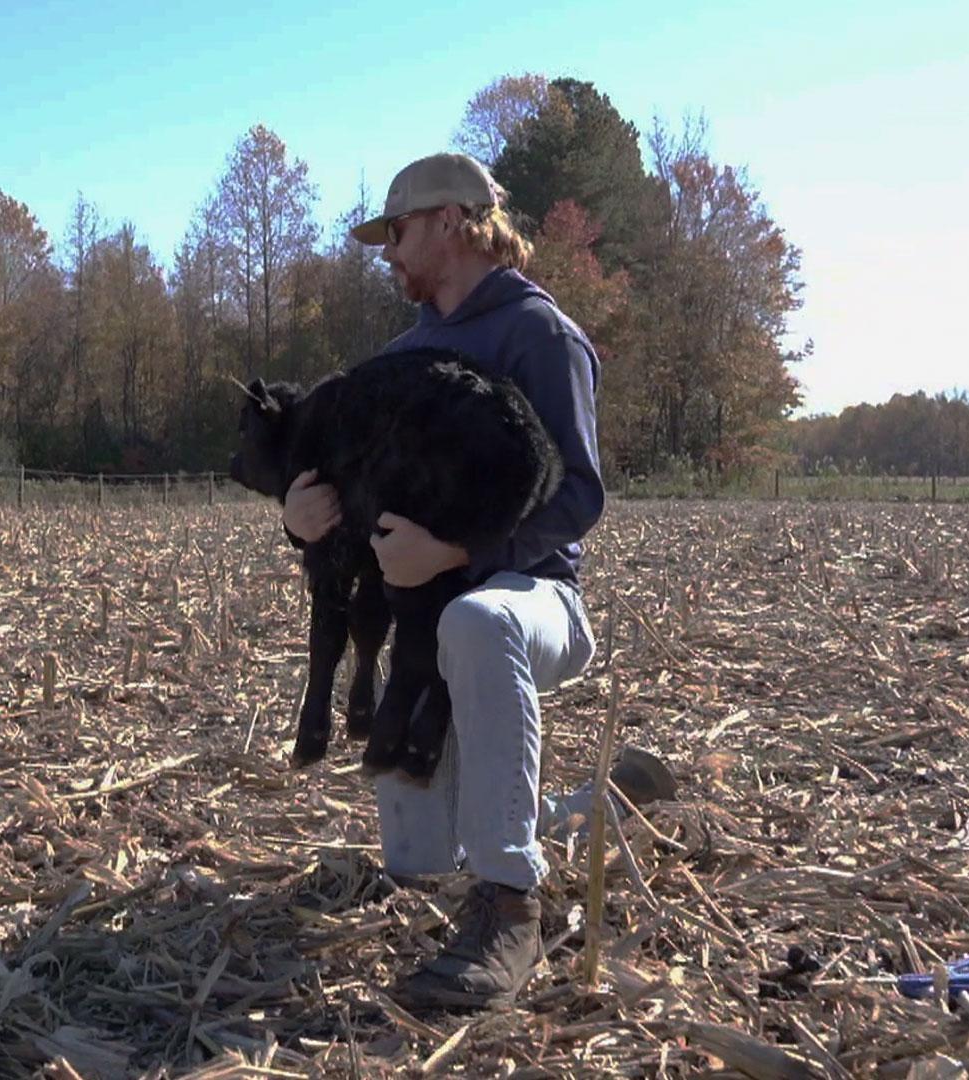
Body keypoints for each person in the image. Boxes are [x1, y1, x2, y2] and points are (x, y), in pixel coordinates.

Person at [281, 152, 676, 1010]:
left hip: (531, 603)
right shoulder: (405, 353)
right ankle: (594, 807)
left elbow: (578, 496)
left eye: (397, 232)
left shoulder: (540, 336)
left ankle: (509, 911)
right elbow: (359, 489)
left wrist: (456, 556)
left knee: (478, 623)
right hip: (427, 627)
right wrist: (302, 516)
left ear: (453, 223)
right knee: (418, 865)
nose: (386, 253)